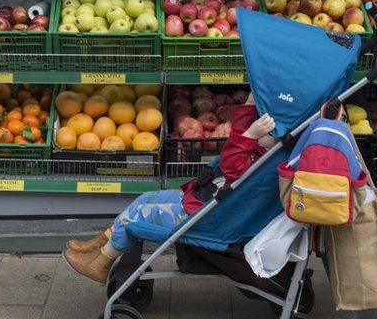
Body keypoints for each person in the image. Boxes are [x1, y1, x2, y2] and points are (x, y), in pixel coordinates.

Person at [64, 92, 276, 283]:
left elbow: (231, 164)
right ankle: (100, 245)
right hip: (204, 202)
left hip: (203, 216)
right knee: (146, 198)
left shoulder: (261, 161)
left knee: (137, 215)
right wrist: (248, 109)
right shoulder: (267, 154)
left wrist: (249, 135)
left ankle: (102, 262)